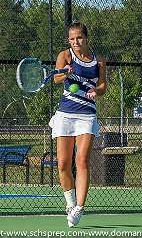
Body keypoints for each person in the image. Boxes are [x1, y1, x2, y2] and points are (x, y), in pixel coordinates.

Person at [49, 22, 106, 227]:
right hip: (64, 114)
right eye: (72, 39)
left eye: (79, 38)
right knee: (63, 164)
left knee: (81, 160)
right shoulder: (64, 55)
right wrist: (65, 73)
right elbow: (56, 79)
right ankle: (71, 203)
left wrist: (95, 91)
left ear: (86, 38)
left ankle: (79, 209)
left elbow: (102, 86)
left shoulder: (98, 60)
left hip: (86, 116)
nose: (75, 42)